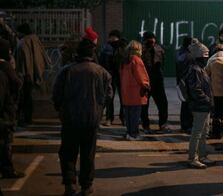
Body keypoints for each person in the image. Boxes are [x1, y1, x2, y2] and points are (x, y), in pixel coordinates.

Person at [53, 38, 112, 196]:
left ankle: (70, 183)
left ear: (77, 53)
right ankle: (86, 185)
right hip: (91, 119)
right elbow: (108, 95)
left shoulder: (67, 71)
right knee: (88, 154)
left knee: (68, 152)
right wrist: (99, 110)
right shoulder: (102, 72)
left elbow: (57, 95)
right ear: (92, 53)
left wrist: (60, 110)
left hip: (71, 119)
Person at [186, 39, 215, 169]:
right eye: (204, 56)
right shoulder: (195, 70)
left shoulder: (200, 69)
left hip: (204, 106)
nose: (206, 58)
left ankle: (202, 156)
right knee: (197, 133)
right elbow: (195, 89)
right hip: (200, 106)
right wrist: (207, 100)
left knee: (204, 132)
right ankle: (193, 158)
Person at [14, 23, 50, 126]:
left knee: (23, 97)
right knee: (28, 97)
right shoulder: (35, 40)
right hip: (32, 73)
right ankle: (28, 119)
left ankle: (22, 119)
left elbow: (21, 61)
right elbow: (41, 56)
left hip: (25, 74)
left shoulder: (22, 42)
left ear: (22, 32)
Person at [0, 38, 24, 179]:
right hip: (5, 115)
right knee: (5, 144)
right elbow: (17, 83)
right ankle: (7, 169)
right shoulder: (5, 67)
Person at [120, 40, 150, 141]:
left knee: (128, 114)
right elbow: (141, 75)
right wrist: (146, 85)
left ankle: (129, 132)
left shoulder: (125, 60)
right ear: (138, 49)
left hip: (126, 92)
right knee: (135, 115)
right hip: (136, 92)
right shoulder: (137, 60)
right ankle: (134, 134)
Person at [140, 32, 170, 133]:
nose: (151, 42)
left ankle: (163, 124)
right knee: (144, 105)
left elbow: (163, 63)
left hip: (157, 81)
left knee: (163, 103)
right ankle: (145, 125)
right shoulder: (140, 50)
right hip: (145, 80)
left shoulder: (159, 49)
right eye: (149, 40)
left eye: (152, 40)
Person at [100, 29, 128, 126]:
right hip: (109, 76)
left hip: (121, 76)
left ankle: (123, 117)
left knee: (123, 98)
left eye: (114, 37)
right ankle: (109, 118)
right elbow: (102, 62)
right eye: (111, 37)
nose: (112, 39)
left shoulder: (124, 47)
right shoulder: (105, 48)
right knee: (109, 98)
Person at [176, 36, 194, 133]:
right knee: (189, 103)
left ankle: (184, 124)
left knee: (185, 103)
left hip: (182, 81)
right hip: (188, 81)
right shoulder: (189, 54)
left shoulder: (180, 52)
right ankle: (187, 125)